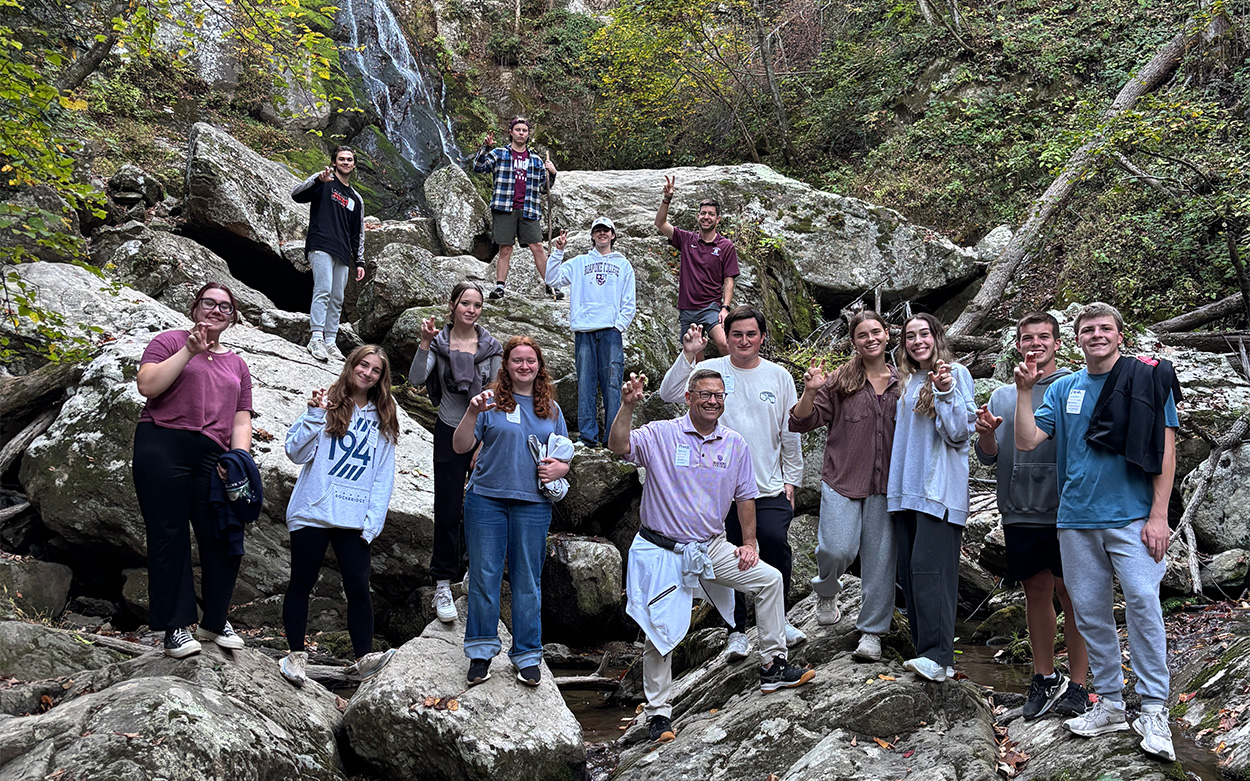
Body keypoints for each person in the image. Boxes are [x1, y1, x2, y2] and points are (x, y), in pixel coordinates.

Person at [1012, 302, 1180, 761]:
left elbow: (1166, 451)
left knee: (1144, 606)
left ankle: (1153, 708)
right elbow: (1027, 439)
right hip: (1075, 520)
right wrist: (1024, 393)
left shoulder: (1147, 380)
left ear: (1120, 336)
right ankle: (1108, 703)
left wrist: (1159, 515)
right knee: (1089, 613)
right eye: (1089, 329)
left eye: (1106, 328)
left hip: (1132, 518)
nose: (1097, 335)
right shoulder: (1064, 386)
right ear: (1078, 339)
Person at [612, 369, 815, 745]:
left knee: (769, 580)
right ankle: (658, 715)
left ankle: (773, 664)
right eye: (705, 394)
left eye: (718, 396)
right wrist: (626, 407)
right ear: (688, 397)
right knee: (660, 632)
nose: (712, 401)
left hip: (710, 547)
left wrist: (749, 543)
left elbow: (744, 497)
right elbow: (619, 446)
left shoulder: (734, 444)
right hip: (662, 550)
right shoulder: (661, 434)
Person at [658, 307, 804, 658]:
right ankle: (736, 629)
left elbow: (790, 431)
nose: (743, 341)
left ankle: (777, 619)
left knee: (772, 542)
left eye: (751, 334)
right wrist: (689, 353)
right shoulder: (714, 374)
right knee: (729, 553)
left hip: (767, 483)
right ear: (726, 336)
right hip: (716, 489)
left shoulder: (779, 376)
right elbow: (669, 392)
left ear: (762, 338)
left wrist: (793, 478)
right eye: (736, 334)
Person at [974, 312, 1091, 719]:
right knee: (1036, 592)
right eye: (1027, 337)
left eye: (1044, 337)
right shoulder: (1003, 395)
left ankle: (1079, 683)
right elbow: (988, 458)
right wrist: (986, 434)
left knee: (1072, 594)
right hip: (1018, 509)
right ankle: (1044, 676)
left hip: (1067, 510)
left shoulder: (1075, 386)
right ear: (1017, 345)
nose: (1035, 343)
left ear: (1058, 343)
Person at [133, 282, 254, 658]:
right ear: (195, 308)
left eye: (225, 307)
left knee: (223, 535)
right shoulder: (169, 342)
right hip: (163, 442)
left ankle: (215, 621)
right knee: (169, 535)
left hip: (213, 457)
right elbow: (147, 386)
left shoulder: (237, 364)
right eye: (209, 303)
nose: (216, 311)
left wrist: (240, 462)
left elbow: (241, 419)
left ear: (233, 318)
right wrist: (189, 351)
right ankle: (175, 627)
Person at [452, 336, 571, 687]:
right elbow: (460, 446)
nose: (524, 366)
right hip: (486, 499)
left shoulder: (550, 408)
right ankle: (480, 652)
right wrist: (472, 411)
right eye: (517, 360)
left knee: (527, 582)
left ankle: (527, 656)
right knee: (484, 577)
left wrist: (560, 470)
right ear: (505, 365)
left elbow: (564, 455)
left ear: (539, 366)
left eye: (530, 361)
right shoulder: (489, 403)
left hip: (533, 504)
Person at [279, 346, 400, 686]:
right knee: (301, 582)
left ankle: (364, 657)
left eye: (375, 370)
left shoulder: (385, 416)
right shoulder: (327, 402)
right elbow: (294, 452)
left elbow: (383, 475)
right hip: (313, 509)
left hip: (353, 516)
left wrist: (373, 521)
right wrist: (314, 415)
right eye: (363, 365)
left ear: (381, 378)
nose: (368, 373)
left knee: (359, 586)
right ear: (352, 366)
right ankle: (294, 655)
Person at [787, 311, 899, 662]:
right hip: (842, 478)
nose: (870, 339)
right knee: (836, 549)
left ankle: (871, 633)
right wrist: (810, 391)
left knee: (880, 562)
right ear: (854, 341)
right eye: (862, 334)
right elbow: (800, 421)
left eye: (876, 332)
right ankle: (827, 591)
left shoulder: (904, 382)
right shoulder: (839, 381)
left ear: (887, 334)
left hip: (887, 485)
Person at [887, 312, 976, 683]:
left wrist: (943, 392)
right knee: (910, 575)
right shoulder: (906, 381)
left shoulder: (956, 374)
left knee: (931, 572)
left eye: (924, 334)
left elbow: (959, 433)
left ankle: (939, 656)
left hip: (938, 490)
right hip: (906, 493)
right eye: (910, 336)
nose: (917, 341)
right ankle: (929, 654)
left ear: (937, 337)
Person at [410, 282, 503, 623]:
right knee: (447, 506)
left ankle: (474, 571)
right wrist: (423, 344)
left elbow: (495, 394)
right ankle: (443, 581)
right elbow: (417, 379)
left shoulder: (491, 347)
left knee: (482, 507)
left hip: (484, 433)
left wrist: (482, 442)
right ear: (453, 306)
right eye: (465, 302)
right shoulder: (439, 342)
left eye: (477, 304)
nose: (471, 309)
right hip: (449, 427)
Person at [545, 216, 637, 448]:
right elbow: (552, 278)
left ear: (613, 235)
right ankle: (588, 436)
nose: (602, 234)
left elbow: (629, 299)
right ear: (592, 235)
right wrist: (558, 252)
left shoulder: (623, 264)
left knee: (612, 386)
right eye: (598, 230)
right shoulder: (579, 262)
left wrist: (619, 325)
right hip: (584, 330)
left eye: (606, 230)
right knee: (585, 384)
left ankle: (613, 438)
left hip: (610, 332)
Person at [292, 145, 366, 363]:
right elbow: (296, 194)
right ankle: (316, 337)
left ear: (353, 164)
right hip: (321, 243)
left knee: (337, 298)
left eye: (349, 159)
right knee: (323, 289)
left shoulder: (356, 198)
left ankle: (330, 341)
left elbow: (358, 232)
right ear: (334, 162)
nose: (345, 162)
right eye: (341, 159)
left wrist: (359, 260)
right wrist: (317, 180)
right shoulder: (324, 181)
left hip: (343, 252)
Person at [472, 117, 560, 301]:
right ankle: (499, 287)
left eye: (524, 130)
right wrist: (485, 148)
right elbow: (478, 167)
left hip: (529, 208)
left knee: (537, 246)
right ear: (511, 132)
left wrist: (552, 174)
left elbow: (544, 189)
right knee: (505, 248)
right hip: (505, 207)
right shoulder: (499, 154)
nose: (521, 133)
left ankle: (550, 286)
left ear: (528, 135)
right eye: (517, 129)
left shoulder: (535, 160)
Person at [654, 176, 739, 358]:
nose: (706, 217)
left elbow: (729, 280)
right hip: (687, 309)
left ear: (717, 219)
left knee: (724, 344)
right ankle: (704, 387)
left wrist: (725, 307)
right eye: (703, 213)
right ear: (698, 216)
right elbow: (660, 223)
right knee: (695, 357)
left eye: (711, 214)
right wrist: (666, 199)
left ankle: (733, 382)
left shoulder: (725, 246)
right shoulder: (686, 239)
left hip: (711, 308)